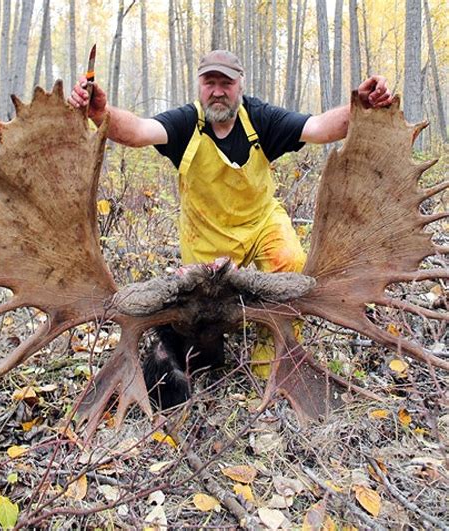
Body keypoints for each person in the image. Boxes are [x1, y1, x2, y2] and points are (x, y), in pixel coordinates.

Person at [69, 50, 393, 401]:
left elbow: (316, 128)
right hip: (208, 242)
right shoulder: (185, 123)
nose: (218, 91)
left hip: (260, 226)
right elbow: (138, 131)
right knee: (203, 324)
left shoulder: (261, 118)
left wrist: (358, 106)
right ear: (200, 86)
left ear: (241, 86)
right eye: (210, 83)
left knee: (292, 265)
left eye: (227, 83)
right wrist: (102, 112)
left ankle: (270, 368)